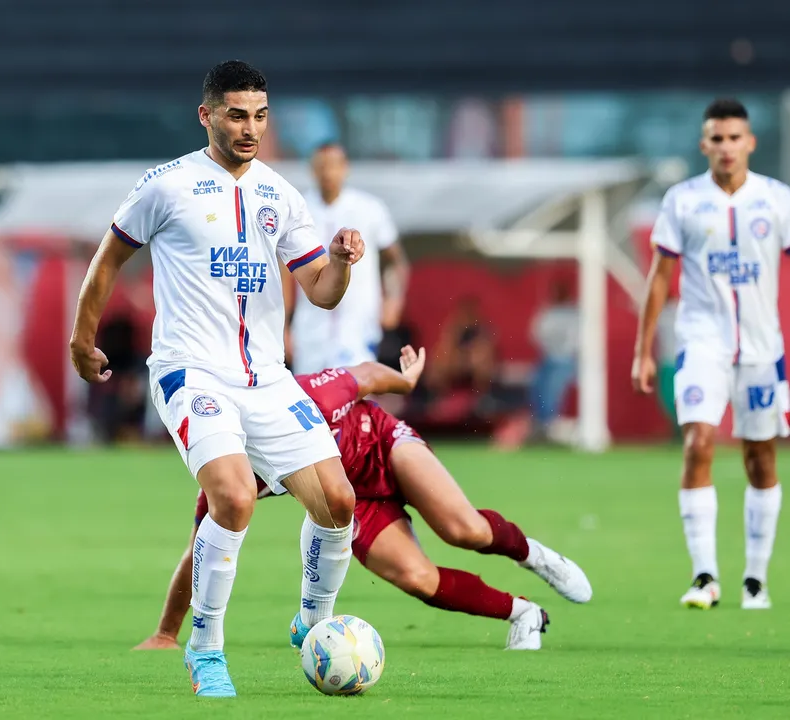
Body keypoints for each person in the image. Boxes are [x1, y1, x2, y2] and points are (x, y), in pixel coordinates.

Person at [69, 60, 366, 698]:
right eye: (236, 114)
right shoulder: (166, 185)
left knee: (339, 503)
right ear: (207, 115)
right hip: (190, 371)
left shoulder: (281, 196)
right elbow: (107, 260)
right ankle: (204, 648)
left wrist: (339, 264)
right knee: (232, 498)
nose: (249, 127)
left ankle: (314, 618)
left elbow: (321, 292)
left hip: (266, 379)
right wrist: (81, 337)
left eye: (259, 115)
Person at [135, 347, 592, 653]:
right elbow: (201, 549)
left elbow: (367, 376)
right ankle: (526, 613)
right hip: (352, 501)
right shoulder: (231, 467)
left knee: (462, 529)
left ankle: (535, 555)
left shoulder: (310, 395)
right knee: (418, 579)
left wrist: (407, 384)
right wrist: (165, 632)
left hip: (383, 445)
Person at [632, 98, 788, 611]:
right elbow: (659, 276)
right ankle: (704, 576)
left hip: (763, 349)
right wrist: (643, 350)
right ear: (704, 145)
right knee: (698, 442)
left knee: (760, 456)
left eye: (734, 138)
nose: (726, 147)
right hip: (701, 341)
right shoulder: (682, 200)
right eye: (716, 139)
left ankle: (755, 580)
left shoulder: (776, 200)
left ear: (750, 143)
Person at [286, 142, 409, 374]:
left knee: (356, 396)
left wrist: (393, 299)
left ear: (345, 168)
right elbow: (284, 269)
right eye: (321, 166)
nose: (328, 172)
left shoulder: (370, 208)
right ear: (312, 170)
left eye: (333, 165)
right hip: (310, 329)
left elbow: (394, 260)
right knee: (310, 401)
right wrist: (283, 326)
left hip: (358, 325)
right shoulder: (298, 209)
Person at [528, 280, 579, 438]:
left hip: (566, 361)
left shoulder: (574, 313)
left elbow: (577, 340)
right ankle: (541, 423)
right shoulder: (547, 312)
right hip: (548, 359)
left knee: (552, 387)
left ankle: (550, 426)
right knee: (536, 383)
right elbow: (535, 334)